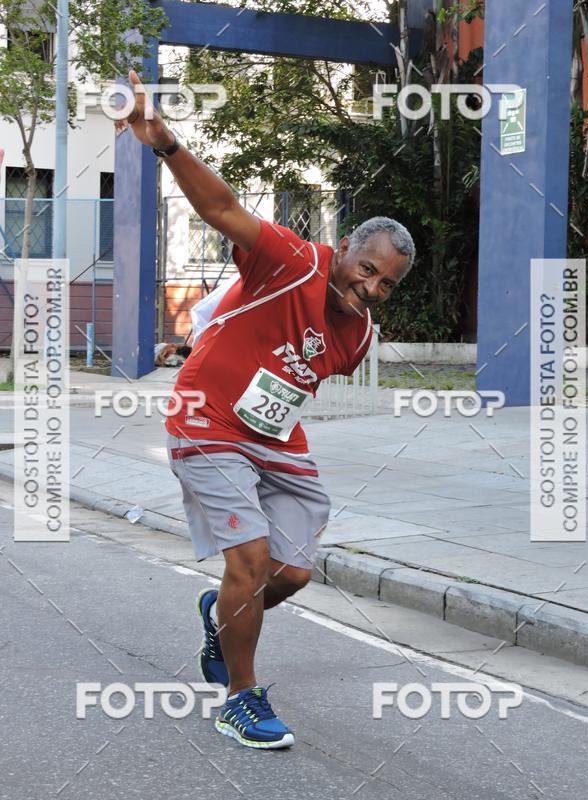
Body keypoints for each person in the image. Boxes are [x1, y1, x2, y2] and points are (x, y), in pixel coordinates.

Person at [117, 70, 415, 751]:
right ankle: (240, 699)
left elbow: (287, 385)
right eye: (365, 268)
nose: (369, 288)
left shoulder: (360, 337)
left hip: (274, 438)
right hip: (206, 418)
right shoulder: (293, 261)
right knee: (248, 560)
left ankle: (218, 613)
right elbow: (221, 209)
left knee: (292, 572)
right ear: (344, 251)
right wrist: (164, 142)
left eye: (385, 284)